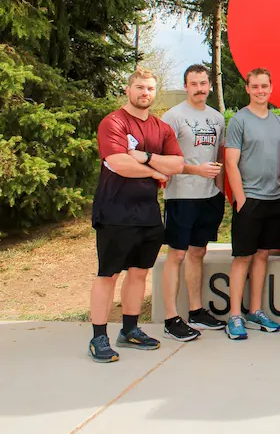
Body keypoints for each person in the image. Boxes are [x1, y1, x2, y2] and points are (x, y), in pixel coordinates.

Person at [88, 69, 185, 363]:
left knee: (139, 273)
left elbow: (178, 165)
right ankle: (99, 337)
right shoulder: (113, 122)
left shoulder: (161, 127)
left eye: (150, 88)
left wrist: (145, 158)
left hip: (148, 214)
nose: (145, 93)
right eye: (140, 87)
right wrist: (156, 171)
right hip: (115, 212)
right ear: (128, 89)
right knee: (109, 275)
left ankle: (129, 330)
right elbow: (118, 163)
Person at [159, 64, 228, 342]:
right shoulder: (173, 117)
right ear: (185, 86)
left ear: (210, 85)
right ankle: (170, 318)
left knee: (198, 253)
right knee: (176, 255)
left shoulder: (217, 118)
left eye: (203, 83)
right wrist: (195, 170)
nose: (200, 88)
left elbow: (219, 157)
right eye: (194, 83)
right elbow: (164, 161)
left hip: (208, 197)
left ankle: (196, 310)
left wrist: (219, 192)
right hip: (181, 196)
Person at [224, 68, 280, 340]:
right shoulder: (239, 120)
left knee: (263, 255)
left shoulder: (279, 123)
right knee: (243, 258)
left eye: (265, 86)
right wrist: (240, 198)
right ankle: (234, 316)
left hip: (275, 199)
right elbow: (231, 162)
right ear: (248, 89)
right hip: (249, 199)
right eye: (255, 86)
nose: (260, 90)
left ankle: (254, 311)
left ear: (271, 88)